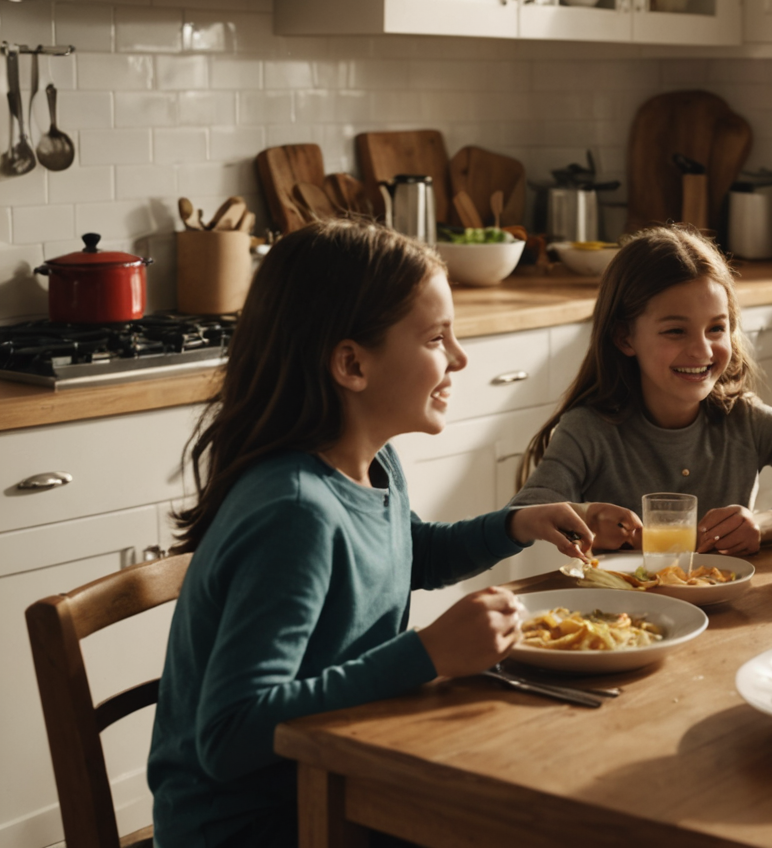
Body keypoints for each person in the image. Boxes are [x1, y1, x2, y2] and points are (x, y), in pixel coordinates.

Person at [149, 221, 631, 848]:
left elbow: (409, 554)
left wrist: (517, 523)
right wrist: (426, 654)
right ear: (352, 363)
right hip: (256, 824)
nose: (459, 357)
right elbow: (229, 734)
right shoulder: (294, 512)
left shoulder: (373, 464)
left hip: (338, 773)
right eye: (436, 337)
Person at [512, 224, 772, 553]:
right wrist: (583, 514)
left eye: (716, 328)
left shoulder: (743, 420)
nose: (702, 350)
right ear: (624, 338)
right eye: (675, 330)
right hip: (621, 626)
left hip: (729, 616)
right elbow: (519, 517)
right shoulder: (588, 430)